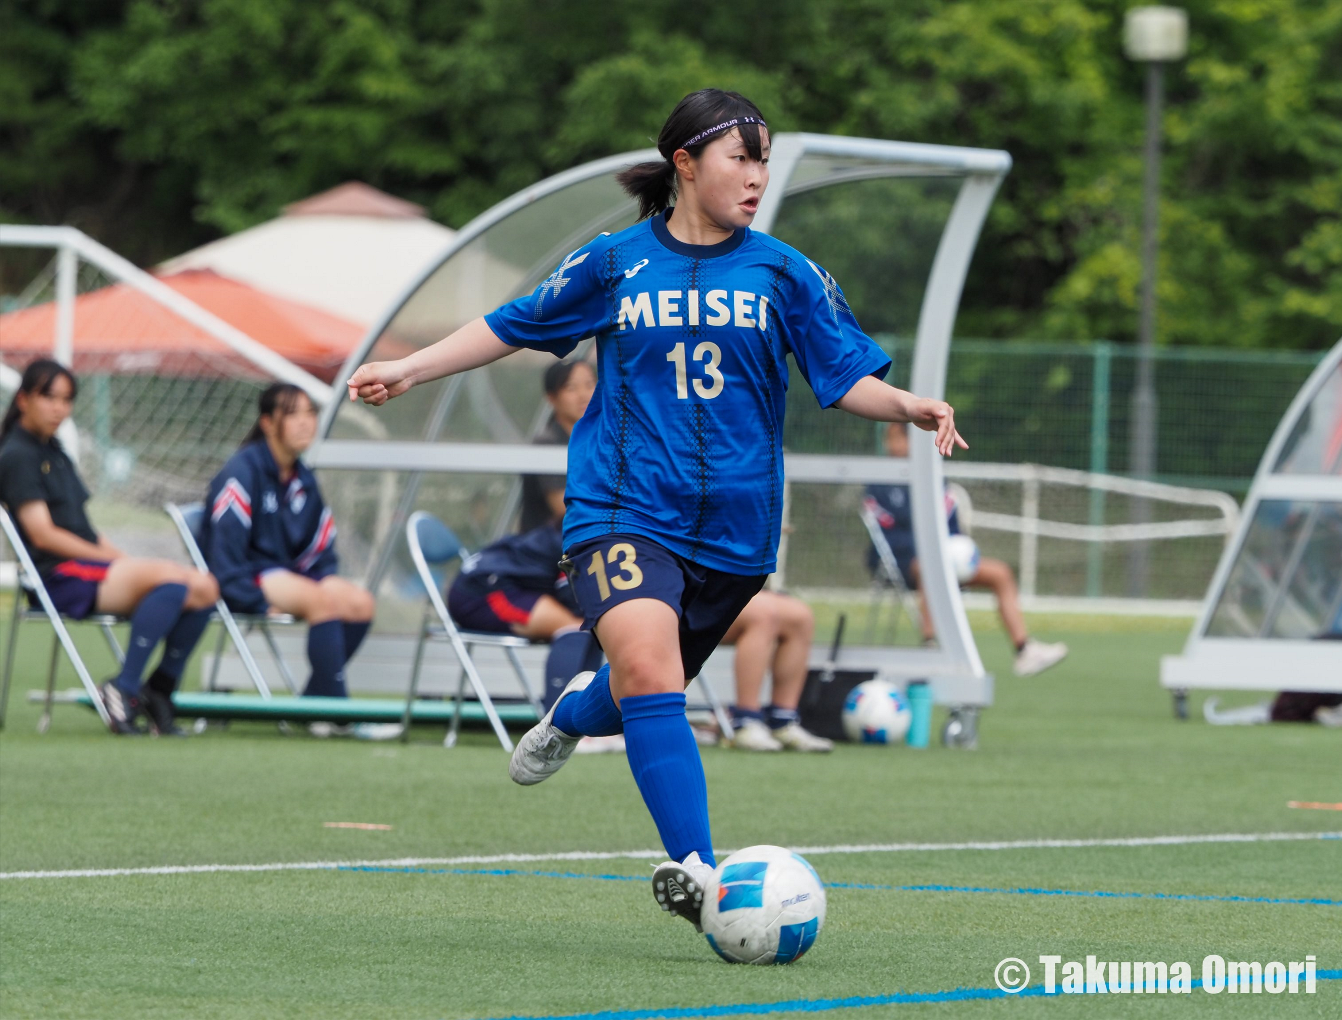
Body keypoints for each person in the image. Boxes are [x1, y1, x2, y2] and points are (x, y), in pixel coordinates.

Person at [347, 88, 965, 935]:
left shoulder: (785, 272)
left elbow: (841, 377)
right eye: (739, 158)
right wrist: (411, 368)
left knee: (645, 683)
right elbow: (513, 324)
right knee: (647, 664)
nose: (756, 177)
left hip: (737, 537)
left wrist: (910, 405)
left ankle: (570, 712)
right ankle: (704, 875)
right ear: (685, 164)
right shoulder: (614, 263)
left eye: (763, 161)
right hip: (622, 510)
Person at [0, 359, 218, 735]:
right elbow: (43, 536)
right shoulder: (18, 455)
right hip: (56, 578)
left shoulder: (56, 452)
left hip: (87, 569)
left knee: (205, 587)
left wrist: (123, 560)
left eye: (67, 400)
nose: (59, 409)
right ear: (23, 399)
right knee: (173, 581)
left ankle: (159, 690)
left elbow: (85, 530)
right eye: (49, 397)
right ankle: (124, 688)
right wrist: (114, 561)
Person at [201, 383, 383, 729]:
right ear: (268, 423)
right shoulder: (242, 473)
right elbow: (222, 558)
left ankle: (312, 704)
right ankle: (342, 716)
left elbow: (321, 547)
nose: (305, 423)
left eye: (310, 413)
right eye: (293, 414)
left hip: (290, 577)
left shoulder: (304, 477)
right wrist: (252, 600)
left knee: (361, 603)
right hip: (249, 579)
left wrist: (327, 577)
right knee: (321, 602)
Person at [865, 420, 1067, 677]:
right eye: (889, 439)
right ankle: (931, 646)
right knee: (932, 566)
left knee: (1000, 573)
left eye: (896, 438)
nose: (890, 445)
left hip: (943, 558)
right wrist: (933, 550)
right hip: (899, 561)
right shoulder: (880, 483)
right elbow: (885, 535)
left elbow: (950, 526)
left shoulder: (933, 477)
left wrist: (956, 550)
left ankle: (1024, 649)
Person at [446, 520, 605, 720]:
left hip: (500, 583)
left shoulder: (589, 527)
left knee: (589, 626)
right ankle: (560, 725)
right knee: (574, 627)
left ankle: (588, 723)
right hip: (479, 592)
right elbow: (574, 597)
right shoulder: (582, 535)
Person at [721, 591, 833, 752]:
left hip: (721, 583)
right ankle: (745, 721)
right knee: (762, 614)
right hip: (684, 588)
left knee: (799, 616)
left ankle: (782, 720)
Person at [520, 360, 596, 532]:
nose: (583, 395)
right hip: (548, 549)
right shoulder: (547, 444)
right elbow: (565, 509)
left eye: (590, 385)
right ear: (551, 398)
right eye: (571, 388)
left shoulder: (600, 439)